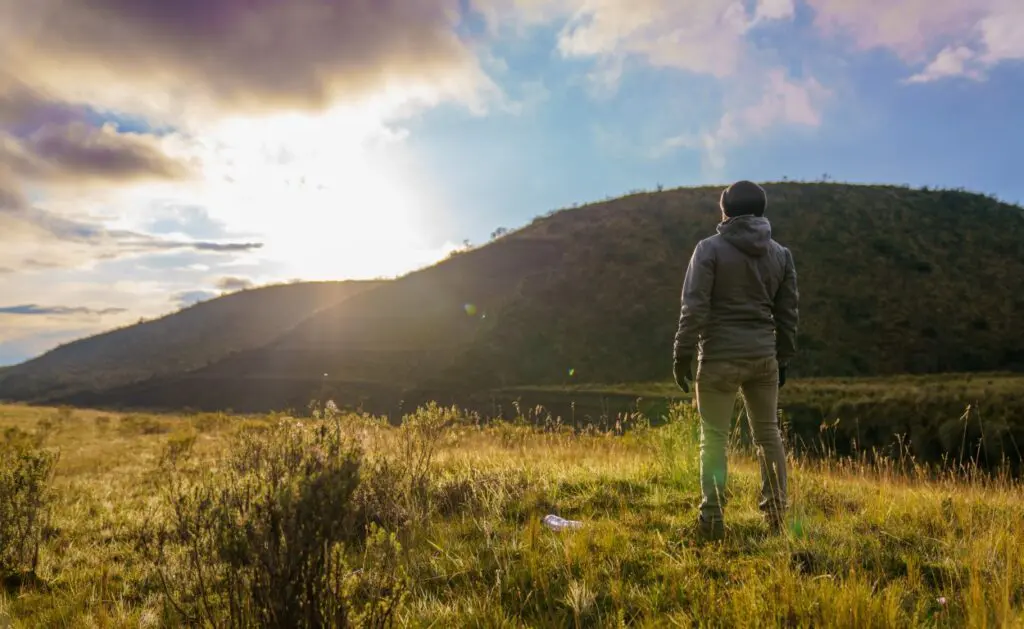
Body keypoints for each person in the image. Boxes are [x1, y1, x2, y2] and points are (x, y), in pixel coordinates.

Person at [672, 180, 799, 540]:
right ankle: (776, 518)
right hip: (763, 357)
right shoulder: (781, 255)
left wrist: (682, 353)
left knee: (714, 439)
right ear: (761, 210)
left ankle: (712, 520)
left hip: (718, 357)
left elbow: (694, 307)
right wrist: (783, 357)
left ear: (725, 209)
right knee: (768, 436)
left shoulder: (708, 249)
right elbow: (788, 313)